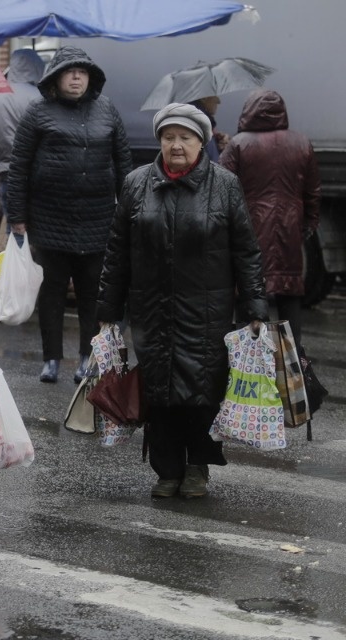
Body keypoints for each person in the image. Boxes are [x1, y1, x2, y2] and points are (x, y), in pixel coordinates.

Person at [97, 103, 267, 500]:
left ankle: (197, 468)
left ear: (201, 141)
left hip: (206, 311)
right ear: (159, 141)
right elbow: (117, 252)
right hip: (151, 309)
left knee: (203, 391)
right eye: (169, 137)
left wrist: (255, 307)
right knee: (159, 392)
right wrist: (108, 313)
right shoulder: (137, 183)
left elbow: (246, 251)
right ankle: (167, 469)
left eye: (185, 137)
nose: (176, 145)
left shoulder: (224, 184)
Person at [6, 46, 133, 385]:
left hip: (98, 219)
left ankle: (86, 357)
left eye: (82, 71)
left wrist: (129, 209)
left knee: (94, 293)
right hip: (50, 219)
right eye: (69, 71)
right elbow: (19, 167)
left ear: (91, 77)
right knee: (52, 293)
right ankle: (51, 359)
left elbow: (124, 164)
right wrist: (17, 215)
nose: (76, 77)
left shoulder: (107, 111)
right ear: (55, 78)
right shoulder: (37, 112)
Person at [221, 89, 321, 349]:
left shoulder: (239, 144)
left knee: (249, 293)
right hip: (289, 229)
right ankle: (294, 365)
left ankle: (247, 363)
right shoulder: (302, 143)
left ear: (249, 110)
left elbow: (221, 188)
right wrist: (308, 224)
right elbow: (312, 192)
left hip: (249, 228)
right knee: (290, 294)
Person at [0, 48, 45, 250]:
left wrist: (2, 154)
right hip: (38, 173)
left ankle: (15, 276)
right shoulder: (42, 99)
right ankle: (38, 276)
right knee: (40, 229)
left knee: (13, 227)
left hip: (8, 171)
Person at [189, 96, 230, 162]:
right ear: (203, 98)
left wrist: (216, 141)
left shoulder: (199, 124)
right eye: (215, 95)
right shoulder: (201, 127)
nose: (218, 101)